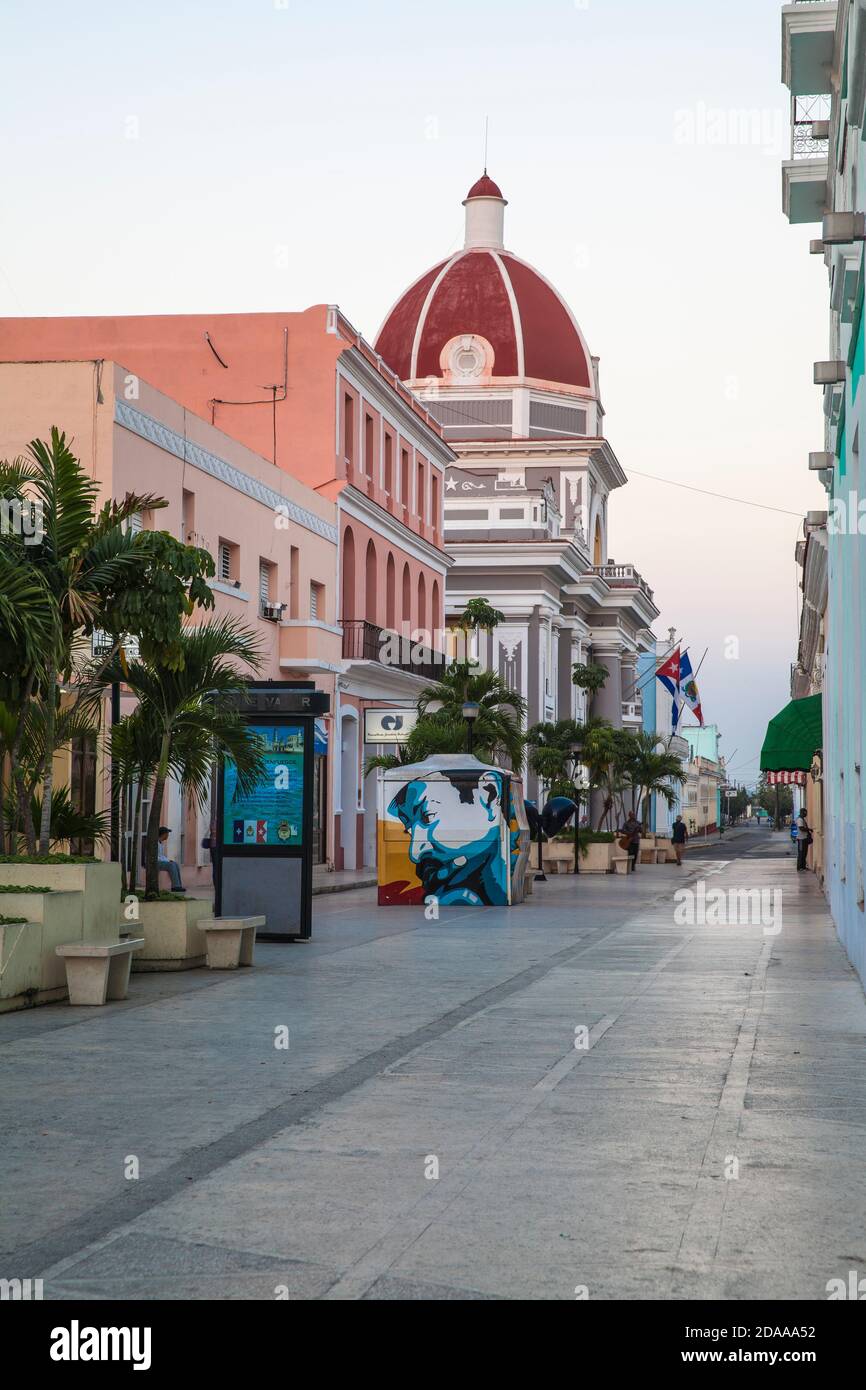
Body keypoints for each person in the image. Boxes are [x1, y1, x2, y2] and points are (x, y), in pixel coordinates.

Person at [157, 826, 186, 893]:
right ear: (163, 834)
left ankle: (178, 885)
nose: (168, 835)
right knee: (171, 865)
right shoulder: (156, 843)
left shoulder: (161, 843)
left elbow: (162, 856)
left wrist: (168, 860)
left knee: (175, 864)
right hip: (156, 862)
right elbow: (156, 857)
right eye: (167, 834)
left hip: (160, 861)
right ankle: (175, 886)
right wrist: (166, 861)